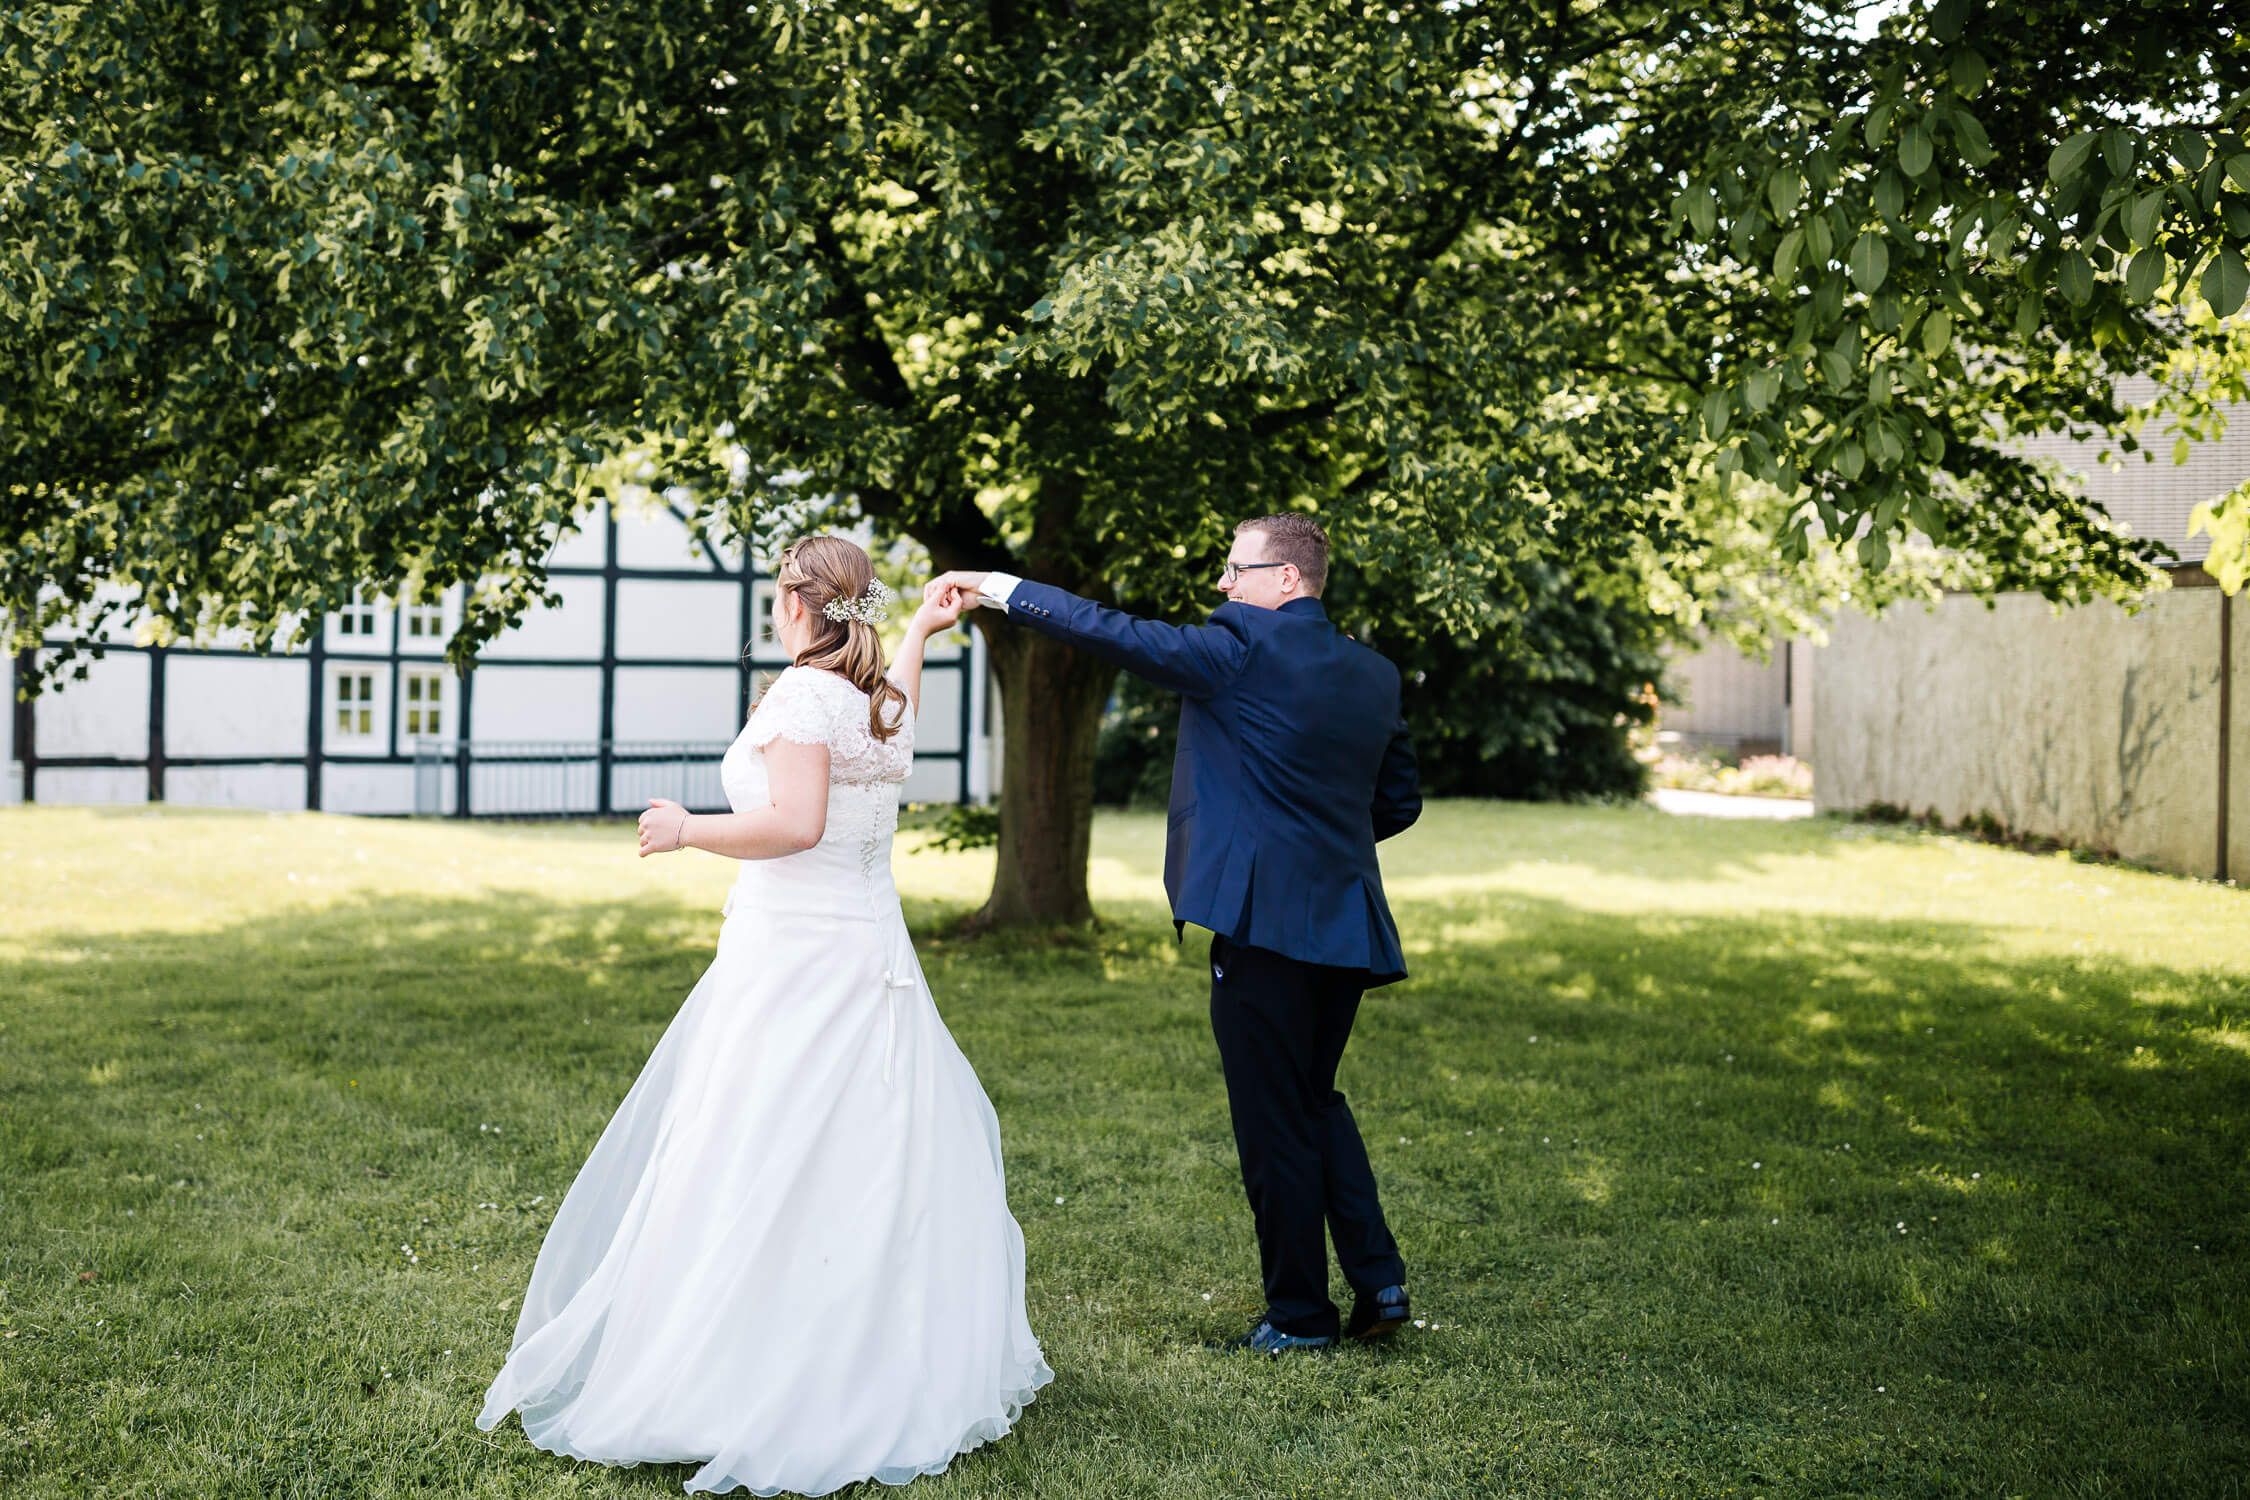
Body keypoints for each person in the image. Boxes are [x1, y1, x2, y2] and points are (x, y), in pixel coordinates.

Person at [478, 536, 1051, 1496]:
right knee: (863, 1147)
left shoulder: (800, 696)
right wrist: (918, 631)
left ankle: (747, 1367)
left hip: (798, 960)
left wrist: (687, 827)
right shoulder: (873, 699)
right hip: (870, 956)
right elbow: (892, 735)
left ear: (799, 602)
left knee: (757, 1141)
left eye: (779, 589)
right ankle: (874, 1353)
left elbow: (795, 825)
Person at [929, 513, 1421, 1355]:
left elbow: (1112, 633)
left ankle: (1301, 1318)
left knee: (1275, 1123)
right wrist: (1314, 846)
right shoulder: (1374, 674)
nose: (1223, 585)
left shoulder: (1239, 649)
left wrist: (999, 589)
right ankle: (1379, 1277)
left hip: (1264, 926)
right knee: (1315, 1100)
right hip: (1344, 925)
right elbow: (1398, 801)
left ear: (1287, 582)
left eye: (1237, 569)